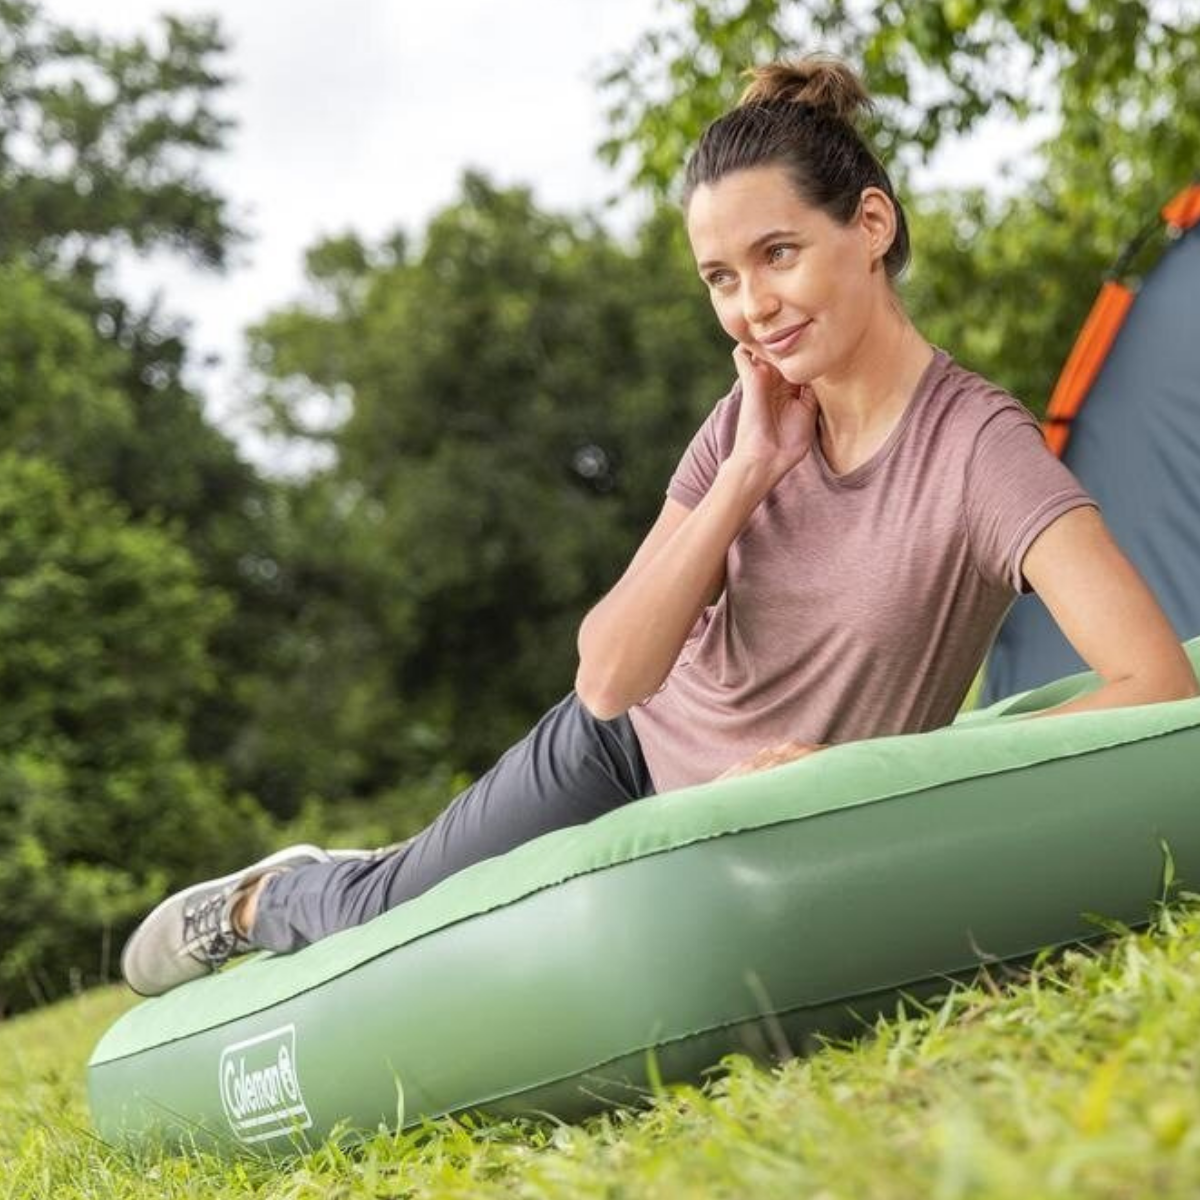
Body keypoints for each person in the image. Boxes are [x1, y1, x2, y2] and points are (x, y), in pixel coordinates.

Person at [121, 54, 1199, 998]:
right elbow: (609, 678)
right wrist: (748, 472)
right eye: (721, 278)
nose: (752, 306)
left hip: (765, 819)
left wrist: (861, 772)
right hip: (619, 751)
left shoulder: (979, 450)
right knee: (387, 919)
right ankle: (269, 899)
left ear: (870, 225)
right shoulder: (747, 418)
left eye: (778, 254)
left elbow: (1154, 681)